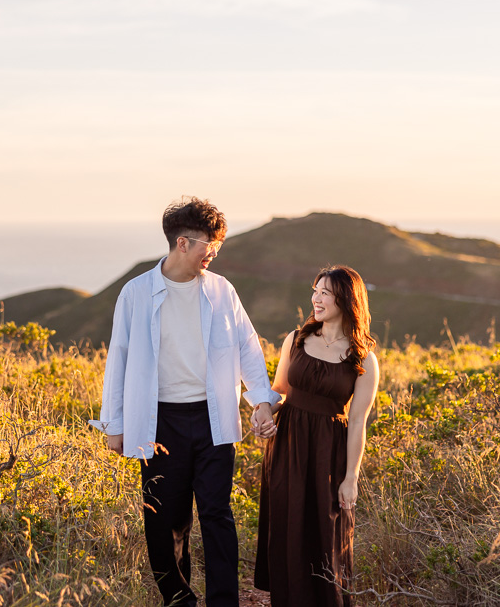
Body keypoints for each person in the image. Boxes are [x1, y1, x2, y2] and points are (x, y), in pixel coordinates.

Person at [97, 196, 279, 607]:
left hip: (213, 418)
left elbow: (248, 347)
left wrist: (261, 401)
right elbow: (119, 357)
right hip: (160, 422)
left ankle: (222, 602)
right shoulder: (136, 293)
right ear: (183, 243)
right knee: (165, 521)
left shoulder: (221, 290)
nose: (213, 254)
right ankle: (179, 599)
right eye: (208, 246)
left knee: (217, 515)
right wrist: (115, 424)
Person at [252, 265, 380, 607]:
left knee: (327, 535)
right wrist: (264, 408)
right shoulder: (295, 340)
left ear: (346, 299)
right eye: (315, 290)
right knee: (288, 528)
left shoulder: (363, 358)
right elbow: (278, 391)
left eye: (325, 292)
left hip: (329, 454)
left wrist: (350, 479)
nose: (316, 298)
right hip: (288, 448)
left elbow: (358, 423)